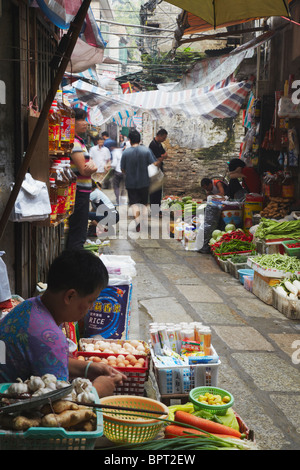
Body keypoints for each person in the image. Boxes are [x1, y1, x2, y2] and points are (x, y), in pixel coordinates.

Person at [0, 249, 126, 397]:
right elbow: (60, 406)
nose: (91, 307)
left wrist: (88, 368)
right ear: (70, 296)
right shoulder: (51, 338)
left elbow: (47, 359)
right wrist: (97, 390)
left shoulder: (28, 306)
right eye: (90, 301)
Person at [65, 108, 98, 250]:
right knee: (78, 231)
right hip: (77, 192)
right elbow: (85, 169)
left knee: (79, 229)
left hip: (82, 192)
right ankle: (74, 262)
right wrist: (93, 167)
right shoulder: (74, 142)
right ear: (72, 122)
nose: (85, 123)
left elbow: (90, 166)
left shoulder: (80, 141)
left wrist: (93, 166)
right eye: (81, 119)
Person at [121, 129, 156, 232]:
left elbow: (122, 169)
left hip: (131, 183)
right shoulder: (146, 150)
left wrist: (128, 172)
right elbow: (153, 164)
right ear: (140, 140)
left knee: (134, 204)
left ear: (129, 140)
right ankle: (143, 222)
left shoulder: (126, 152)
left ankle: (138, 222)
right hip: (144, 181)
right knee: (144, 204)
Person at [148, 129, 169, 213]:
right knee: (154, 191)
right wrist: (162, 157)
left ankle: (157, 209)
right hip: (154, 171)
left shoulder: (159, 144)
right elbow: (157, 160)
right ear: (159, 136)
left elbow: (165, 155)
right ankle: (154, 210)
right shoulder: (153, 145)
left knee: (159, 191)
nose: (164, 139)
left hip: (159, 171)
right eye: (164, 137)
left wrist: (162, 157)